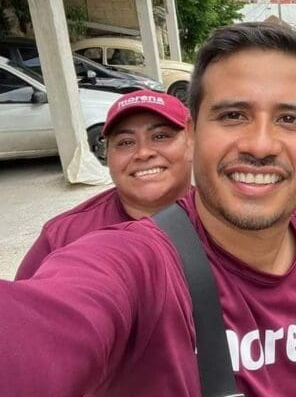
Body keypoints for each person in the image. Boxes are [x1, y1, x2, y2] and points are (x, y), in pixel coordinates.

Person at [0, 23, 296, 397]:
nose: (260, 145)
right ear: (192, 136)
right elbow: (42, 326)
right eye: (233, 116)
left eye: (289, 119)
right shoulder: (139, 265)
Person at [15, 90, 193, 280]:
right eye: (126, 142)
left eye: (160, 136)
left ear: (193, 143)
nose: (143, 152)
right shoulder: (63, 237)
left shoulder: (221, 219)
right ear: (108, 156)